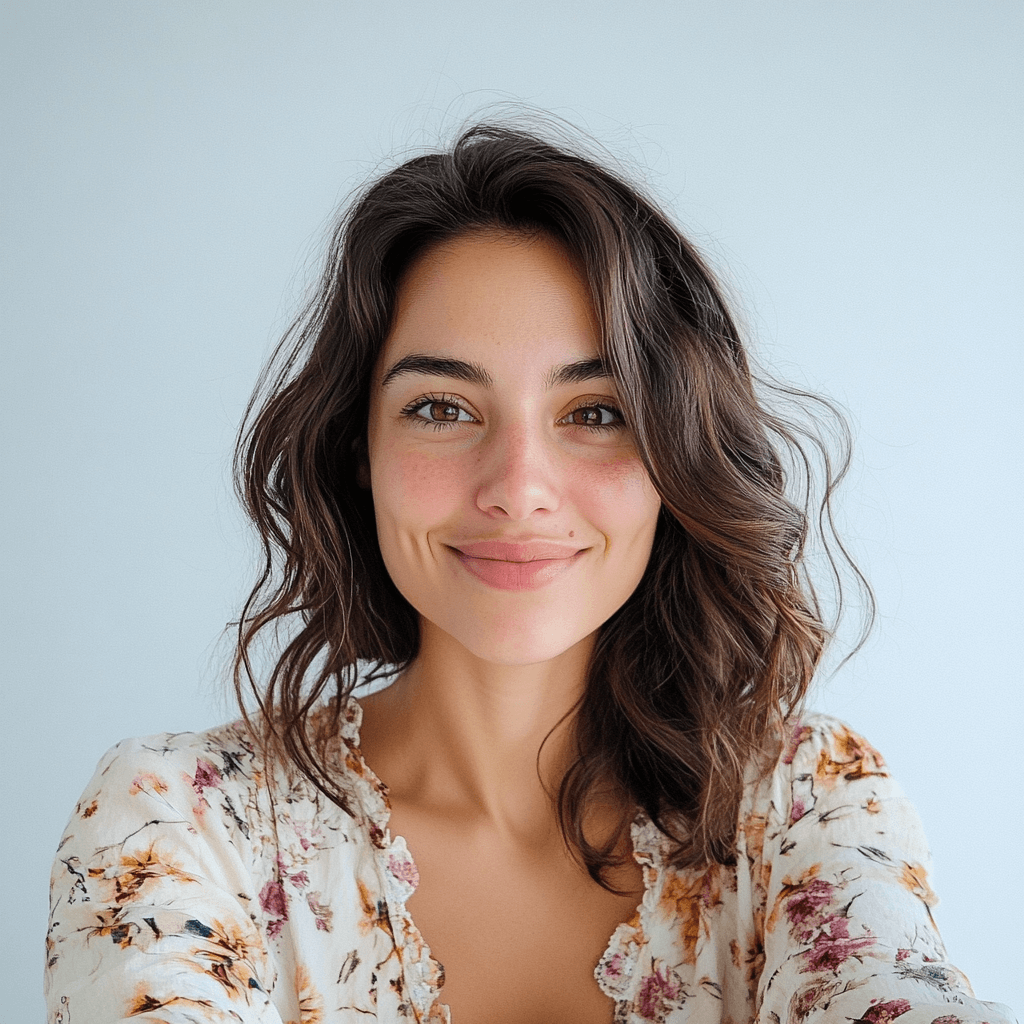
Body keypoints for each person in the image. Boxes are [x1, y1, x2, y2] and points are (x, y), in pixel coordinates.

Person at [44, 120, 1016, 1024]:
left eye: (594, 411)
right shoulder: (177, 822)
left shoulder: (800, 801)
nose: (517, 487)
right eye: (441, 407)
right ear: (357, 450)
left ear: (675, 460)